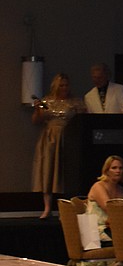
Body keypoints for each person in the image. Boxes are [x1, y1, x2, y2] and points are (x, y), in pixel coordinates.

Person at [31, 73, 86, 219]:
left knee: (66, 173)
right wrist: (37, 109)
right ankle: (47, 208)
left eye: (66, 85)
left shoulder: (75, 102)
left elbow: (84, 119)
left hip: (69, 138)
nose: (64, 88)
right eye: (61, 85)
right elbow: (36, 120)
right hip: (50, 138)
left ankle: (67, 208)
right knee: (48, 171)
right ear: (55, 86)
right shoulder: (47, 100)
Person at [86, 155, 123, 243]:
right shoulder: (98, 186)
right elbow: (110, 209)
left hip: (115, 228)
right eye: (114, 168)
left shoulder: (121, 190)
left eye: (120, 168)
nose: (118, 171)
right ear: (106, 171)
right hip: (97, 230)